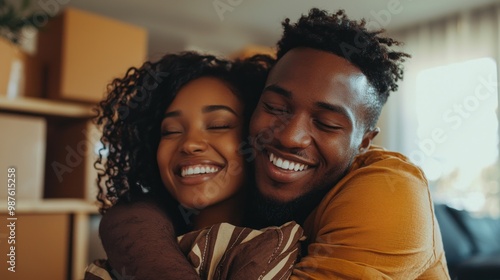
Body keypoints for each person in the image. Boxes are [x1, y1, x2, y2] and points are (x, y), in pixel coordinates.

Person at [98, 8, 450, 280]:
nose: (288, 136)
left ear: (364, 143)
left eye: (327, 123)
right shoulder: (253, 203)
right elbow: (134, 217)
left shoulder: (389, 189)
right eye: (275, 108)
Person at [84, 51, 304, 280]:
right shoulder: (131, 249)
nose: (189, 144)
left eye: (219, 125)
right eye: (171, 131)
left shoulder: (278, 247)